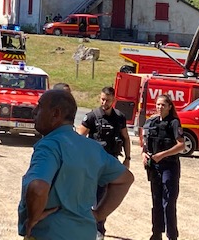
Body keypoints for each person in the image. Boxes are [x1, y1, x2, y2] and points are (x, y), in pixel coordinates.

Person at [19, 90, 133, 240]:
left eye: (39, 107)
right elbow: (125, 179)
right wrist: (98, 214)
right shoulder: (92, 148)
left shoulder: (49, 146)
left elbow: (38, 187)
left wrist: (33, 218)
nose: (34, 112)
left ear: (55, 114)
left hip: (49, 233)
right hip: (84, 234)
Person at [77, 86, 131, 240]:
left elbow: (126, 138)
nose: (104, 102)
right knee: (90, 196)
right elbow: (79, 139)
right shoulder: (92, 116)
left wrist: (127, 158)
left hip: (111, 162)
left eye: (107, 100)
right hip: (93, 163)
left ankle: (99, 229)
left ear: (113, 100)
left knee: (104, 197)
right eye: (102, 99)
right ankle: (90, 227)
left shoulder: (119, 117)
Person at [142, 94, 185, 240]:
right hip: (154, 167)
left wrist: (163, 154)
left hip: (169, 166)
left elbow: (181, 145)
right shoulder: (152, 122)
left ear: (169, 107)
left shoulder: (174, 123)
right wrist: (143, 154)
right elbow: (145, 143)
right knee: (156, 201)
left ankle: (172, 236)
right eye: (158, 104)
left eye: (163, 105)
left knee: (168, 202)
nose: (160, 107)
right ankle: (156, 233)